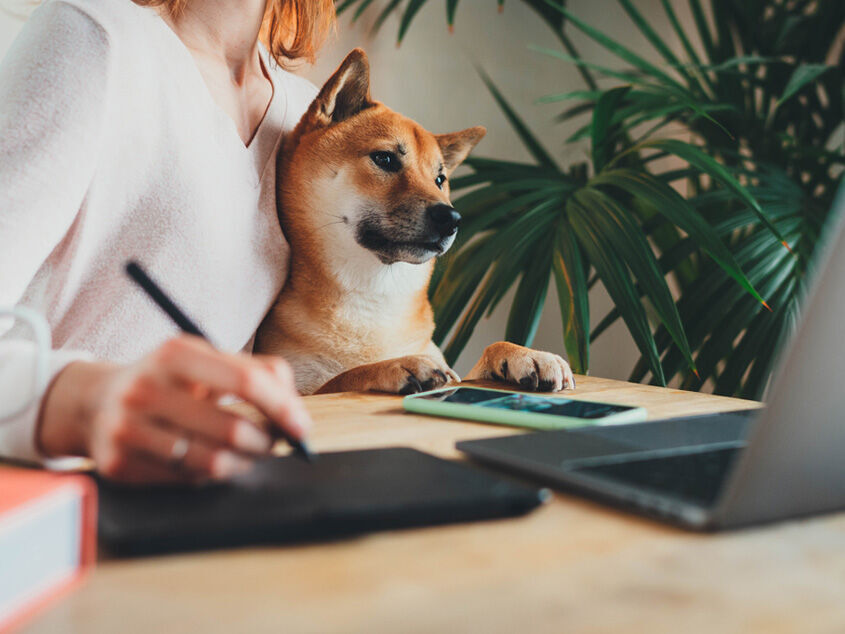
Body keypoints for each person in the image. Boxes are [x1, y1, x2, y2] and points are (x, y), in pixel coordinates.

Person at [0, 0, 335, 482]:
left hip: (214, 497)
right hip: (55, 503)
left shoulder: (308, 113)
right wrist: (80, 404)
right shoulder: (96, 36)